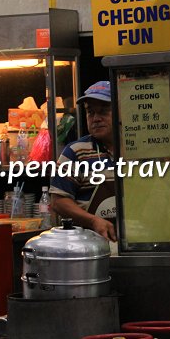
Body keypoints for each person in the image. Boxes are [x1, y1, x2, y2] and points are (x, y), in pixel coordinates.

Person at [51, 81, 117, 241]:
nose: (96, 118)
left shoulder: (136, 149)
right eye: (90, 112)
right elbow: (58, 201)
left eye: (103, 111)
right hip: (88, 245)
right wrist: (93, 221)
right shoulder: (75, 151)